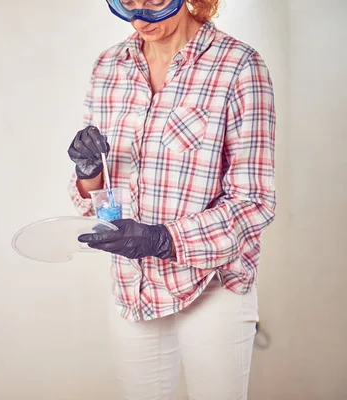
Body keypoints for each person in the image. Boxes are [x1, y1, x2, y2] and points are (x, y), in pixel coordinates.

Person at [66, 0, 276, 399]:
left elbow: (255, 200)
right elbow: (96, 196)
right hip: (133, 285)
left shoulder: (238, 66)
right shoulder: (108, 67)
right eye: (127, 2)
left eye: (156, 1)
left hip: (213, 283)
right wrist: (86, 171)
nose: (140, 17)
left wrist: (161, 239)